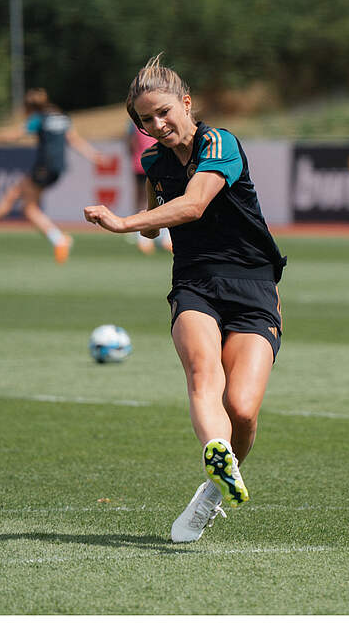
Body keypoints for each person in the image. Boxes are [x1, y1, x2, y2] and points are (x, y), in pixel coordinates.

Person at [83, 55, 287, 543]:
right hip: (195, 282)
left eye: (164, 112)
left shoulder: (220, 143)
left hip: (255, 286)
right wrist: (146, 220)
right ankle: (215, 449)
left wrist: (123, 223)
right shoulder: (154, 161)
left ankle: (214, 490)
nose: (157, 125)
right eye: (146, 120)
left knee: (242, 408)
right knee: (203, 372)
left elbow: (194, 205)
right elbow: (164, 213)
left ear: (187, 103)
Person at [0, 89, 106, 263]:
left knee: (17, 196)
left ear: (30, 107)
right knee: (28, 208)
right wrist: (94, 155)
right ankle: (57, 239)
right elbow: (74, 140)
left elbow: (13, 136)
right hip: (57, 168)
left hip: (43, 167)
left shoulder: (38, 118)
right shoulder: (62, 117)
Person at [125, 122, 172, 255]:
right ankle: (147, 234)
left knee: (146, 198)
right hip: (147, 162)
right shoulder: (158, 120)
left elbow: (129, 142)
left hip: (146, 161)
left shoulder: (137, 123)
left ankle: (157, 235)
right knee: (156, 197)